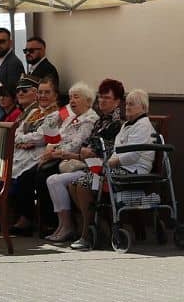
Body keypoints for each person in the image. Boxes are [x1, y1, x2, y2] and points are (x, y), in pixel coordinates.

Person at [67, 88, 158, 251]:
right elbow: (117, 150)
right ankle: (98, 226)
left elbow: (133, 155)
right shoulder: (127, 125)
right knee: (73, 184)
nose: (127, 107)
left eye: (132, 104)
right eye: (127, 103)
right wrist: (107, 163)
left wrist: (110, 163)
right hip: (119, 168)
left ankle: (87, 236)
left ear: (143, 108)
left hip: (133, 171)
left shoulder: (143, 125)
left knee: (83, 185)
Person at [11, 82, 100, 236]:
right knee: (26, 177)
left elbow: (75, 144)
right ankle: (29, 219)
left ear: (88, 100)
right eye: (70, 97)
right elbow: (57, 136)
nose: (72, 101)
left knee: (41, 177)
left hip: (71, 159)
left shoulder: (88, 119)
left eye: (76, 97)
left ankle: (51, 222)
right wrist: (51, 148)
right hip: (55, 155)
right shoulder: (69, 116)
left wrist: (53, 151)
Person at [44, 78, 125, 244]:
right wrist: (81, 153)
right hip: (89, 167)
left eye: (107, 98)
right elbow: (86, 148)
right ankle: (84, 227)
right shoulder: (101, 120)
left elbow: (103, 151)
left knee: (78, 184)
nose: (102, 100)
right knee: (62, 180)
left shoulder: (116, 123)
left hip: (103, 169)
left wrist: (79, 153)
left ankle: (86, 232)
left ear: (117, 102)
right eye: (100, 97)